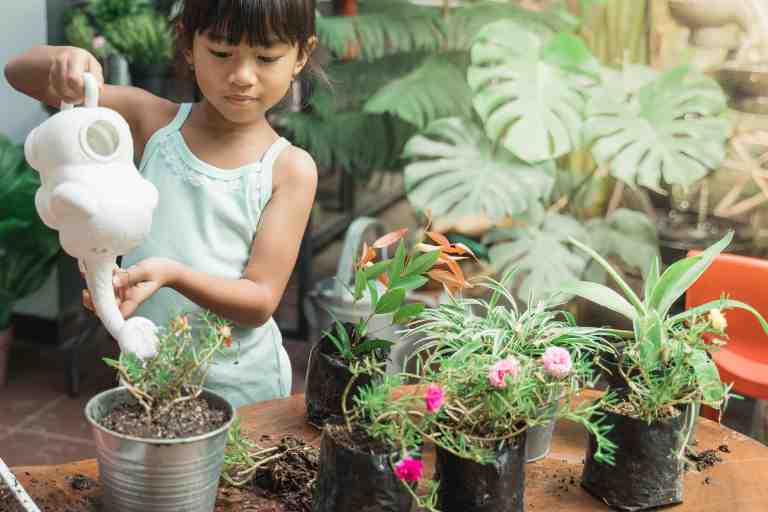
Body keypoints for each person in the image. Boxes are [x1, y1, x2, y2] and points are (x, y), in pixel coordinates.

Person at [4, 0, 320, 408]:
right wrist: (64, 60)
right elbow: (18, 75)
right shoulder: (152, 122)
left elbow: (259, 300)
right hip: (147, 376)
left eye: (266, 57)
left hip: (244, 391)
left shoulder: (288, 169)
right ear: (188, 43)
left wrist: (171, 275)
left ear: (301, 56)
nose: (242, 76)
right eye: (222, 53)